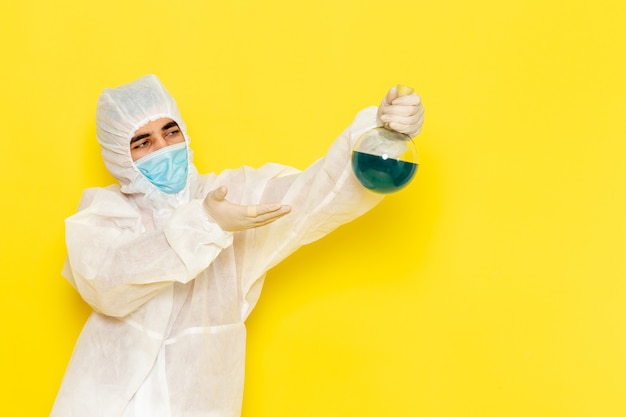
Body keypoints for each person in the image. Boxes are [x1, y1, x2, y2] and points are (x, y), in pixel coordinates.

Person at [50, 74, 424, 417]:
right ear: (119, 155)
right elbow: (107, 283)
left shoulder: (232, 197)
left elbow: (315, 196)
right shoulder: (104, 213)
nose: (164, 147)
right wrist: (205, 224)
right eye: (142, 142)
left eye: (170, 132)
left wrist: (377, 135)